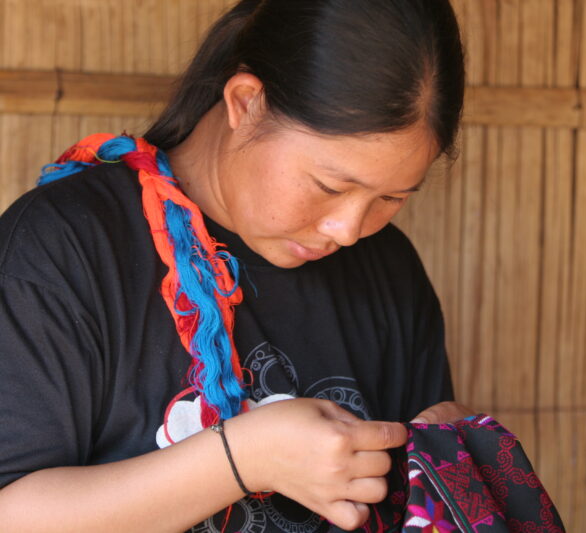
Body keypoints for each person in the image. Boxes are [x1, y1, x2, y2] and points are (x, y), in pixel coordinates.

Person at [0, 0, 471, 531]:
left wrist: (445, 455)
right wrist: (242, 460)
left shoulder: (388, 269)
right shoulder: (65, 247)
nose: (349, 228)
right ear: (245, 103)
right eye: (331, 187)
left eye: (392, 198)